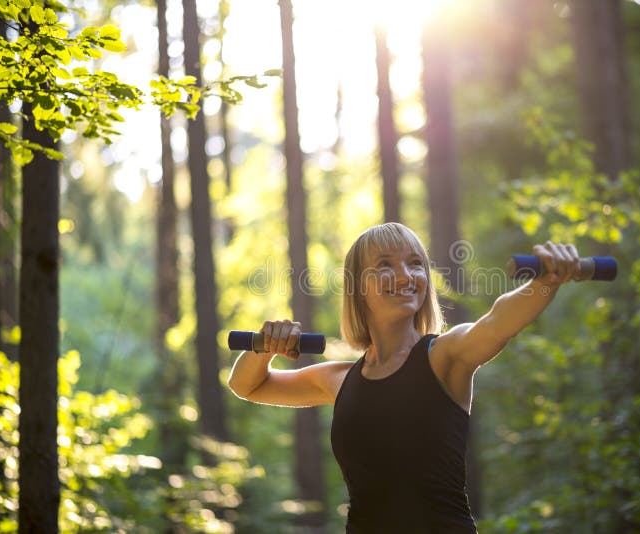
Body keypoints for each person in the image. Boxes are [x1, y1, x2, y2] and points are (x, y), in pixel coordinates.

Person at [227, 222, 581, 533]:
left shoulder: (445, 356)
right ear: (358, 288)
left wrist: (546, 282)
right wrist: (265, 347)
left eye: (415, 264)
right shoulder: (339, 379)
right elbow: (247, 385)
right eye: (384, 265)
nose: (405, 276)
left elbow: (498, 322)